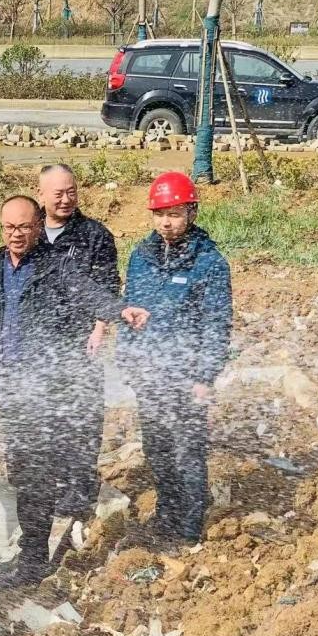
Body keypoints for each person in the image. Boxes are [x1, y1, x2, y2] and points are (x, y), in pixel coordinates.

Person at [0, 196, 149, 589]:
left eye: (24, 228)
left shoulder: (56, 265)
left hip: (42, 391)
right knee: (21, 471)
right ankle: (31, 547)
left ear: (38, 227)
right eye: (9, 228)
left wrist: (119, 311)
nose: (16, 235)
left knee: (35, 476)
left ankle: (33, 560)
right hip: (8, 387)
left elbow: (88, 292)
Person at [119, 172, 232, 545]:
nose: (167, 222)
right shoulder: (141, 257)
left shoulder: (209, 263)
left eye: (175, 213)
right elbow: (129, 310)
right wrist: (128, 359)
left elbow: (217, 324)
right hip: (149, 373)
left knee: (187, 450)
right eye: (160, 213)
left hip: (186, 376)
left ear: (192, 212)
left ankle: (189, 524)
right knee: (158, 447)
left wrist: (204, 375)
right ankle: (167, 513)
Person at [36, 163, 121, 528]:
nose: (66, 199)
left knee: (82, 417)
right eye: (58, 193)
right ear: (41, 194)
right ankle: (51, 484)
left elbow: (107, 287)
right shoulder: (30, 232)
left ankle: (80, 490)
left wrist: (100, 328)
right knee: (46, 416)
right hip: (40, 343)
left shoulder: (93, 236)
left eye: (71, 191)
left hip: (80, 340)